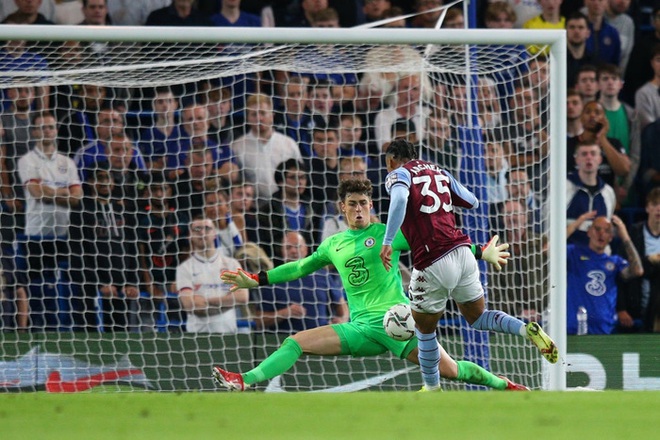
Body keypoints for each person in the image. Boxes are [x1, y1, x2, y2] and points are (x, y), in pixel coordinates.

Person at [213, 178, 528, 392]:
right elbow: (299, 267)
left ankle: (504, 385)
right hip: (361, 328)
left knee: (453, 371)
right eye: (352, 203)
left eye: (364, 202)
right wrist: (256, 279)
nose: (359, 208)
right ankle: (243, 380)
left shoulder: (387, 234)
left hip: (400, 325)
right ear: (343, 207)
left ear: (372, 205)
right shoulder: (332, 245)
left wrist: (479, 251)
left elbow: (437, 242)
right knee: (295, 343)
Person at [378, 139, 557, 391]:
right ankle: (526, 330)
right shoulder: (438, 171)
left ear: (390, 161)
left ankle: (432, 388)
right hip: (463, 253)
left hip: (432, 259)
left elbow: (398, 201)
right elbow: (472, 200)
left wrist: (388, 240)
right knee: (478, 317)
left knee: (424, 328)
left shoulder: (398, 174)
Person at [250, 230, 348, 332]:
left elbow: (342, 307)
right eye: (288, 247)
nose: (293, 251)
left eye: (297, 246)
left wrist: (341, 320)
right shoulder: (272, 279)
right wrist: (284, 313)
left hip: (320, 340)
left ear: (306, 249)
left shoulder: (322, 275)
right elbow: (258, 320)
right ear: (282, 251)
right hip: (285, 341)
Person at [566, 215, 643, 334]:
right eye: (597, 229)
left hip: (603, 330)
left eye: (607, 231)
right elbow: (548, 250)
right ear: (589, 232)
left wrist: (625, 236)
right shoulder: (573, 253)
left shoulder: (615, 262)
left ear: (611, 237)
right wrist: (578, 222)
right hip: (573, 328)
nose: (601, 233)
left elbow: (638, 270)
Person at [176, 216, 249, 333]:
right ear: (190, 235)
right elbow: (190, 305)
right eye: (197, 229)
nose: (202, 233)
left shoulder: (232, 264)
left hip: (229, 336)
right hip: (197, 337)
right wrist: (227, 301)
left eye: (207, 228)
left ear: (215, 233)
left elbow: (242, 297)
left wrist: (207, 301)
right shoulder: (184, 268)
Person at [617, 188, 660, 333]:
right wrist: (621, 308)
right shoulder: (635, 232)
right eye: (655, 204)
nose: (658, 209)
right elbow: (622, 271)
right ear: (647, 208)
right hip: (633, 304)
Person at [566, 142, 616, 246]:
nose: (589, 158)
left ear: (600, 159)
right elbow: (549, 222)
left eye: (593, 154)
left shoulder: (608, 192)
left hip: (596, 254)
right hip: (568, 251)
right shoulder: (564, 187)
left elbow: (607, 226)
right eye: (584, 154)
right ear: (577, 160)